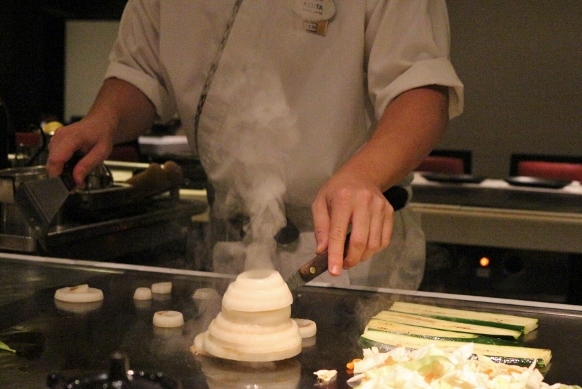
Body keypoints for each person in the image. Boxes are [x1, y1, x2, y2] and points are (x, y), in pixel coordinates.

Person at [47, 0, 463, 289]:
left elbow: (420, 91)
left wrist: (362, 176)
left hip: (343, 245)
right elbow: (139, 71)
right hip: (230, 238)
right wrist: (104, 120)